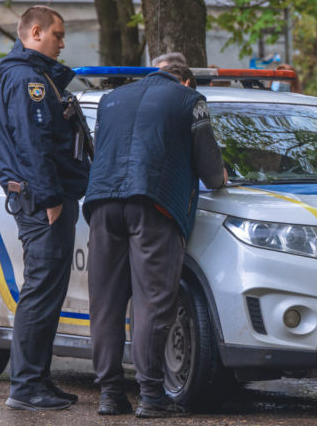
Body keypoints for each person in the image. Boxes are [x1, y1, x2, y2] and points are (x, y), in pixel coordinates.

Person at [84, 55, 227, 418]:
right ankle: (151, 396)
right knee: (152, 303)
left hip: (102, 205)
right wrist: (220, 178)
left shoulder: (111, 99)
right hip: (154, 205)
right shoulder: (189, 101)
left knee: (106, 304)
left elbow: (103, 152)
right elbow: (210, 167)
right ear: (186, 82)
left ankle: (110, 394)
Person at [0, 5, 90, 411]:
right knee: (40, 292)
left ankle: (38, 380)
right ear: (35, 32)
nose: (63, 43)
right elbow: (34, 145)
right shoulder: (27, 80)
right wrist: (50, 199)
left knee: (49, 293)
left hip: (47, 197)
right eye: (58, 35)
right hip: (40, 202)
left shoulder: (40, 77)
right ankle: (26, 386)